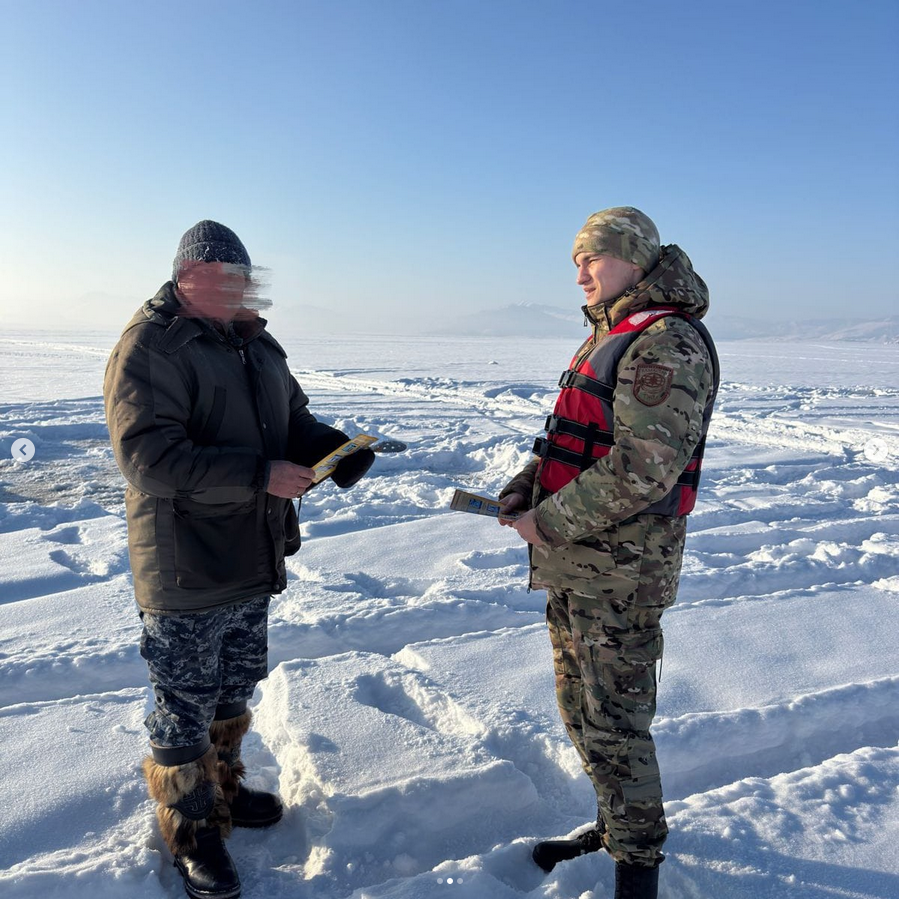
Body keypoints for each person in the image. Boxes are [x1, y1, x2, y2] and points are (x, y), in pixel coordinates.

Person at [104, 220, 374, 899]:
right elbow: (149, 460)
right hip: (186, 562)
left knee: (232, 686)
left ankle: (222, 788)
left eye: (241, 277)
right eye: (218, 277)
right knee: (184, 702)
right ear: (185, 278)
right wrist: (260, 474)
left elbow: (291, 420)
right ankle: (191, 826)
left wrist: (332, 449)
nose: (234, 289)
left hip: (251, 552)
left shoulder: (257, 342)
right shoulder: (151, 346)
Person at [498, 207, 718, 899]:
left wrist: (548, 521)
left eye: (590, 258)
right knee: (581, 711)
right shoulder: (611, 333)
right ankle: (615, 824)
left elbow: (644, 466)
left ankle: (637, 868)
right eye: (576, 262)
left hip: (621, 573)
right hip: (578, 561)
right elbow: (574, 433)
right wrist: (527, 484)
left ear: (633, 257)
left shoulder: (665, 341)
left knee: (616, 724)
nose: (580, 275)